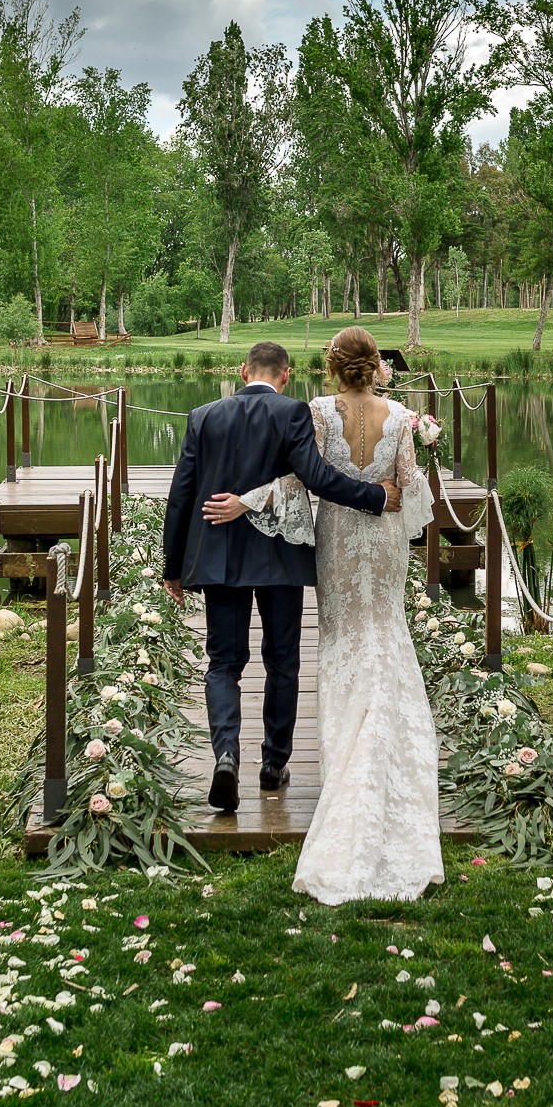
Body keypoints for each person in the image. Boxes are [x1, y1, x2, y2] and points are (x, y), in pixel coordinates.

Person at [202, 326, 445, 905]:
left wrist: (248, 500)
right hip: (383, 542)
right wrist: (386, 491)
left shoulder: (317, 411)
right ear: (376, 366)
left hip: (335, 536)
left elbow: (301, 477)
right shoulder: (401, 418)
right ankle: (384, 742)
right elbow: (408, 491)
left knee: (342, 642)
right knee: (384, 633)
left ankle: (346, 763)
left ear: (332, 367)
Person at [162, 341, 401, 814]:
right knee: (282, 662)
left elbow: (180, 494)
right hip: (280, 557)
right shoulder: (292, 413)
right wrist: (373, 496)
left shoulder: (203, 416)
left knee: (224, 663)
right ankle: (274, 765)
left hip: (221, 560)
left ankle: (226, 755)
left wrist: (174, 567)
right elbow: (316, 477)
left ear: (242, 370)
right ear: (286, 375)